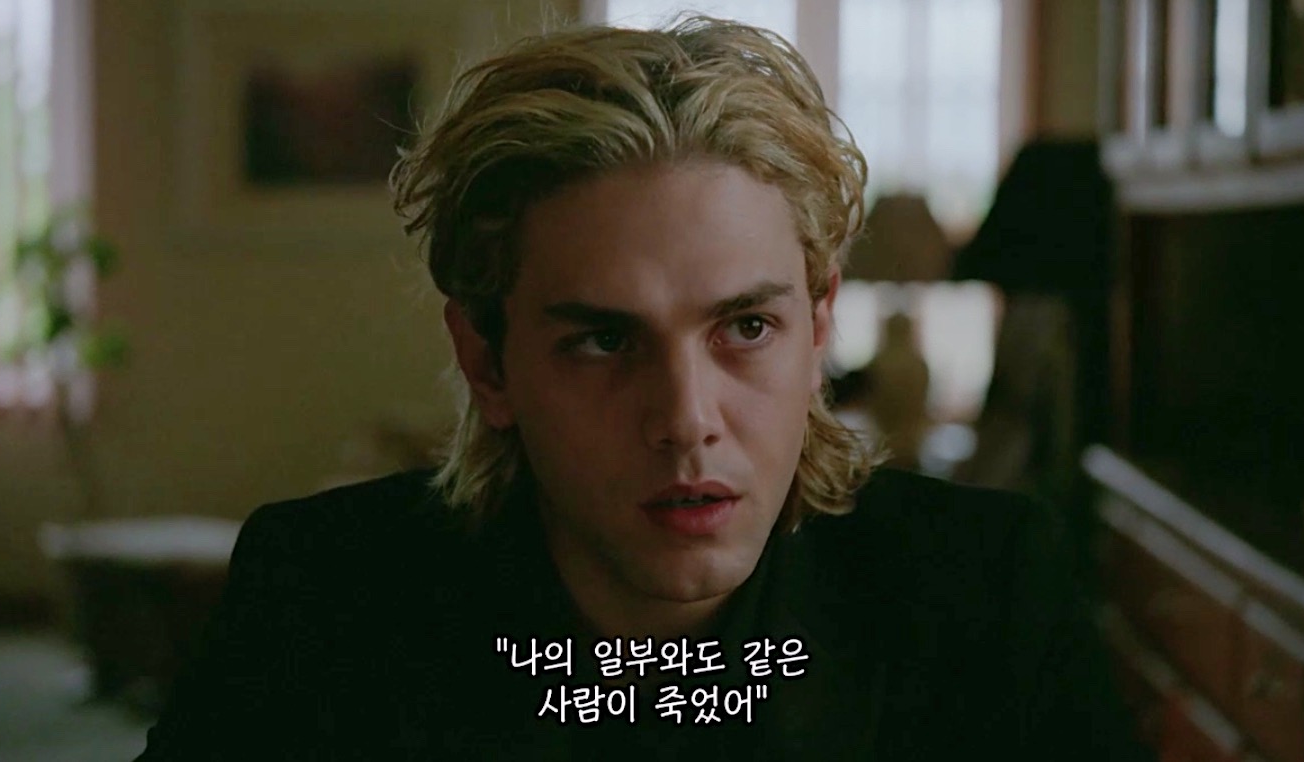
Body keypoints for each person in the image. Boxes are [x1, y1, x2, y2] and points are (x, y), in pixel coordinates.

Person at [138, 16, 1148, 761]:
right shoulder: (321, 602)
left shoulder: (983, 594)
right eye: (601, 341)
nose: (684, 421)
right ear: (488, 362)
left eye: (745, 328)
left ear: (818, 329)